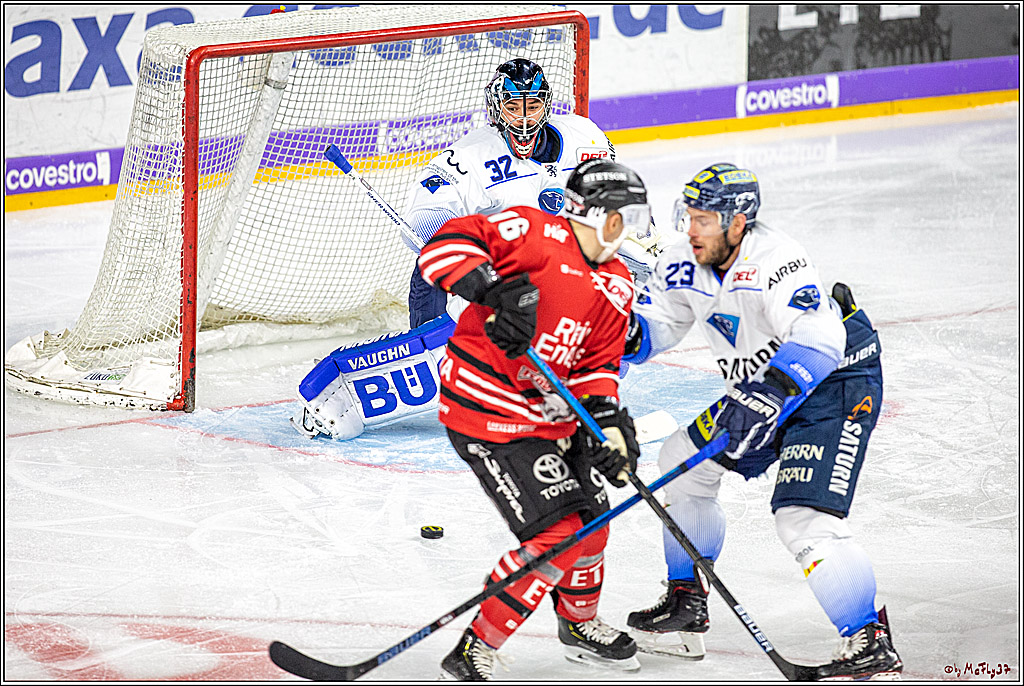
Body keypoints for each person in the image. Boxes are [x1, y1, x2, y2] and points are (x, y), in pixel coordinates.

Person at [621, 163, 903, 681]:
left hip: (832, 381)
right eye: (689, 216)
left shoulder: (776, 258)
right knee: (682, 462)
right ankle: (686, 599)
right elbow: (659, 325)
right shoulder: (684, 260)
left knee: (802, 517)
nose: (691, 229)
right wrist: (618, 336)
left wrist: (767, 396)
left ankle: (869, 642)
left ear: (737, 222)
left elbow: (820, 340)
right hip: (763, 386)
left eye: (704, 219)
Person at [290, 58, 662, 441]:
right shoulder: (469, 157)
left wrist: (644, 249)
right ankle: (355, 388)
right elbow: (425, 224)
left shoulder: (586, 137)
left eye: (533, 106)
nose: (524, 119)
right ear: (496, 108)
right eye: (513, 107)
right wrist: (484, 276)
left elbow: (621, 204)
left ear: (546, 105)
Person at [418, 159, 650, 680]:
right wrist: (489, 288)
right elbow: (443, 245)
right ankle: (474, 649)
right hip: (487, 411)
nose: (631, 231)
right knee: (560, 532)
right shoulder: (532, 231)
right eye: (628, 218)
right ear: (606, 217)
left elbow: (596, 368)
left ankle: (579, 625)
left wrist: (608, 425)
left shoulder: (617, 284)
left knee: (593, 523)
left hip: (552, 417)